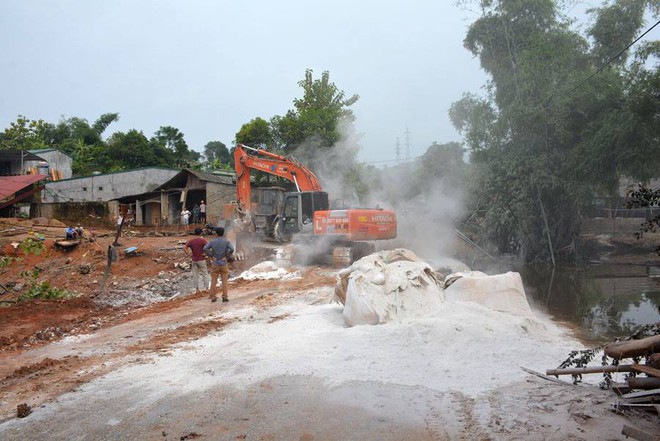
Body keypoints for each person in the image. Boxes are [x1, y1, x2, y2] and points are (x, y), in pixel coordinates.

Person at [203, 226, 234, 303]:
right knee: (224, 281)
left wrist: (211, 256)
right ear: (223, 234)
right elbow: (232, 249)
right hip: (223, 263)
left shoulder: (212, 241)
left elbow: (205, 248)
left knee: (213, 280)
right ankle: (225, 296)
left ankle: (213, 297)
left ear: (216, 233)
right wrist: (226, 256)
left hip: (215, 263)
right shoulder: (226, 242)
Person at [184, 227, 211, 294]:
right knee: (205, 273)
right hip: (201, 259)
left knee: (195, 275)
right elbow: (208, 247)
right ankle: (207, 288)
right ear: (201, 233)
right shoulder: (202, 240)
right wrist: (205, 254)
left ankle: (197, 289)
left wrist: (189, 255)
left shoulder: (191, 241)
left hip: (194, 260)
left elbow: (184, 248)